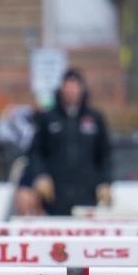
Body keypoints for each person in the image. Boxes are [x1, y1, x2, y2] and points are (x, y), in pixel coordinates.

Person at [18, 69, 112, 216]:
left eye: (75, 86)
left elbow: (105, 154)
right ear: (61, 88)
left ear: (82, 88)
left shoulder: (95, 118)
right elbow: (35, 152)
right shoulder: (47, 118)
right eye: (67, 86)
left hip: (87, 195)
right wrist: (40, 175)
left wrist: (106, 182)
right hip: (55, 196)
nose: (71, 91)